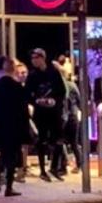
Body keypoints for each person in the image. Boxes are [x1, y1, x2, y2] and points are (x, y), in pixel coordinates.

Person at [0, 57, 31, 197]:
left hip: (0, 125)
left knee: (4, 152)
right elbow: (23, 110)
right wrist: (25, 128)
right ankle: (9, 186)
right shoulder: (17, 87)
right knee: (12, 155)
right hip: (14, 125)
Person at [26, 49, 67, 182]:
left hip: (54, 111)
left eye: (36, 57)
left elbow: (62, 91)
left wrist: (55, 101)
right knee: (41, 140)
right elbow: (27, 93)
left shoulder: (53, 73)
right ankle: (43, 170)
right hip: (40, 112)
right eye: (32, 58)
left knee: (58, 140)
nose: (33, 60)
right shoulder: (32, 76)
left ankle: (54, 167)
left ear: (42, 58)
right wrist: (36, 101)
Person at [58, 57, 84, 174]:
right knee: (73, 142)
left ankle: (63, 166)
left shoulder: (59, 86)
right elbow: (79, 100)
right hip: (72, 115)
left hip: (63, 116)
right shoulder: (72, 85)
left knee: (61, 141)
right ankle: (79, 164)